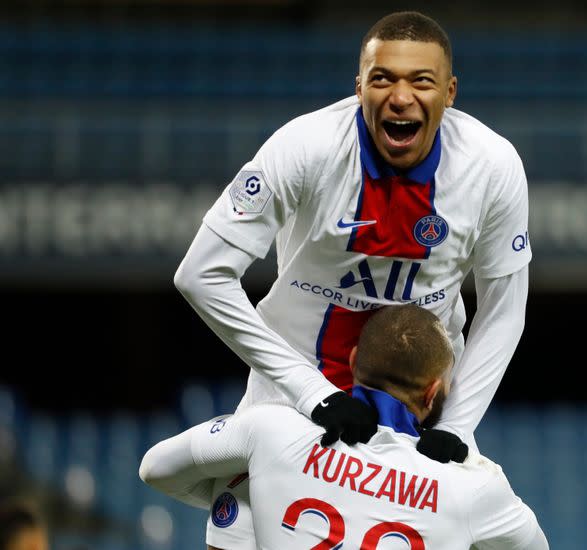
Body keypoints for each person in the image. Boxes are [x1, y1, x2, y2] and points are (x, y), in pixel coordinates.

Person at [169, 10, 531, 549]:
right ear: (359, 84)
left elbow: (505, 307)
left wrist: (457, 425)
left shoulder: (492, 166)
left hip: (418, 427)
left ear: (450, 92)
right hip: (293, 409)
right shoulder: (306, 147)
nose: (401, 96)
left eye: (421, 81)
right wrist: (311, 392)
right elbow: (200, 275)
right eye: (383, 78)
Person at [140, 305, 548, 550]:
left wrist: (265, 494)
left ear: (352, 363)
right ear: (433, 393)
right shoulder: (471, 487)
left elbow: (154, 468)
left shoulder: (273, 431)